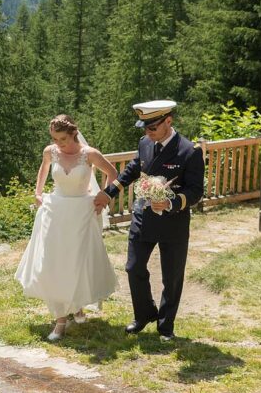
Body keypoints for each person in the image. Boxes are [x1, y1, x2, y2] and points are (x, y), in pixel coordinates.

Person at [93, 100, 205, 341]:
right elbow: (133, 169)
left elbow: (195, 191)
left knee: (171, 276)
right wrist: (109, 192)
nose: (147, 133)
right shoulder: (145, 143)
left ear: (168, 121)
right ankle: (144, 314)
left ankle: (166, 326)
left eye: (152, 128)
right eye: (144, 128)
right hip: (143, 216)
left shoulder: (189, 151)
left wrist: (171, 203)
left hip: (173, 222)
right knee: (133, 267)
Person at [16, 115, 120, 341]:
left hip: (82, 212)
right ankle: (60, 320)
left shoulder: (90, 154)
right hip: (54, 211)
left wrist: (103, 196)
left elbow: (113, 174)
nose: (58, 143)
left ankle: (77, 304)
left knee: (76, 261)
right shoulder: (50, 152)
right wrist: (38, 192)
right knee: (54, 262)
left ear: (73, 133)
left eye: (62, 138)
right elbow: (43, 169)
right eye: (54, 138)